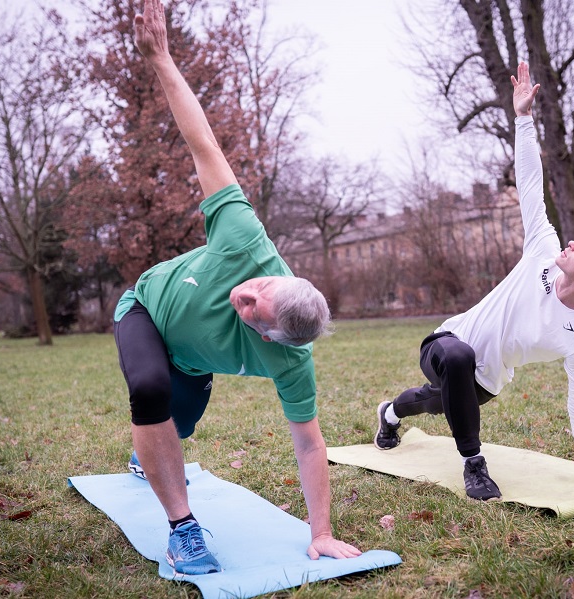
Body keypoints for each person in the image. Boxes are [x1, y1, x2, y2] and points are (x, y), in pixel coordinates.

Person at [113, 0, 361, 575]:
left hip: (194, 364)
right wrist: (161, 58)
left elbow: (309, 444)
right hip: (145, 309)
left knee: (174, 428)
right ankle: (184, 530)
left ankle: (147, 448)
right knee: (148, 390)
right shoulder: (244, 237)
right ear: (283, 274)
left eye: (252, 309)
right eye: (259, 286)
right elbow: (203, 143)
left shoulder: (290, 363)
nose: (243, 294)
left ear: (272, 338)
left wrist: (320, 531)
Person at [373, 62, 574, 500]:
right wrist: (523, 118)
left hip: (485, 381)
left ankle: (389, 414)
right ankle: (473, 465)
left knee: (428, 402)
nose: (573, 241)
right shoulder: (543, 248)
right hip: (447, 340)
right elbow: (531, 184)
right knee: (456, 358)